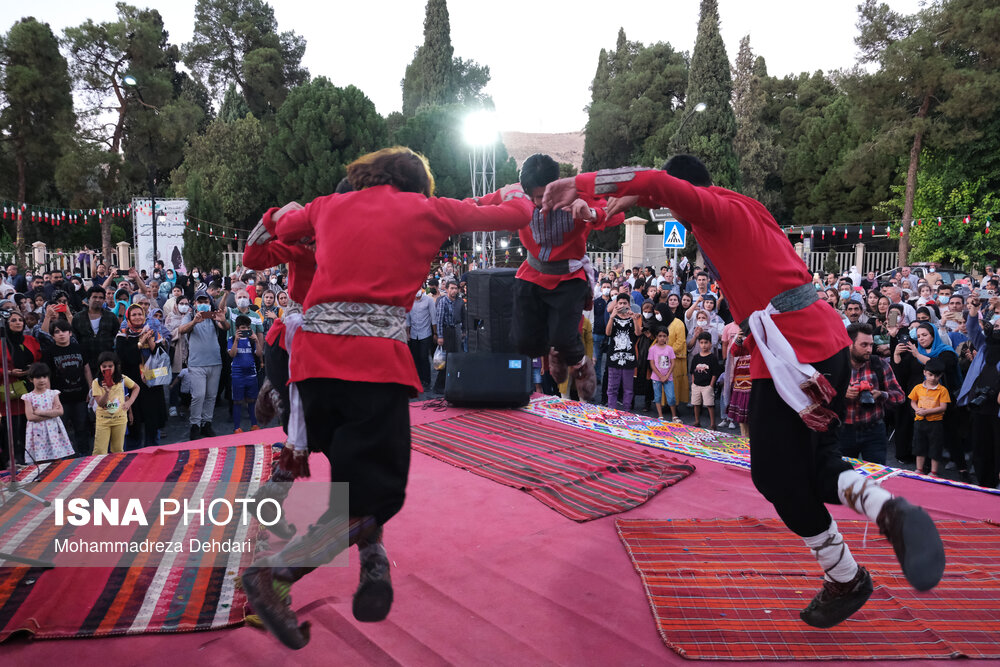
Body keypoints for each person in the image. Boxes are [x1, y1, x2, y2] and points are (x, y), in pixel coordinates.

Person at [542, 154, 945, 628]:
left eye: (670, 203)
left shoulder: (711, 211)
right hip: (818, 344)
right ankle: (884, 510)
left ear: (683, 194)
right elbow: (654, 190)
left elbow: (655, 183)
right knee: (817, 464)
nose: (670, 211)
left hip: (795, 355)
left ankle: (847, 575)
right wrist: (608, 208)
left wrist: (582, 184)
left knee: (775, 478)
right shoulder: (740, 204)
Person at [241, 146, 535, 648]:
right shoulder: (427, 211)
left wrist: (281, 213)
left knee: (353, 484)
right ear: (417, 184)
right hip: (373, 366)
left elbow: (277, 230)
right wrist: (517, 195)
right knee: (381, 493)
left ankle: (364, 568)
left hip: (311, 361)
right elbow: (510, 216)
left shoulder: (327, 207)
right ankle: (280, 570)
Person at [473, 154, 624, 399]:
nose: (539, 202)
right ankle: (553, 350)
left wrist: (591, 214)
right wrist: (447, 214)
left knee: (564, 337)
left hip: (569, 275)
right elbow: (479, 203)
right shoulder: (514, 194)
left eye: (544, 195)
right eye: (533, 196)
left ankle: (577, 361)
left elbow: (617, 213)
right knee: (523, 343)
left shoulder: (576, 193)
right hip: (532, 272)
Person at [838, 324, 905, 465]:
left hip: (874, 431)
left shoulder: (879, 364)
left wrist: (880, 394)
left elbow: (900, 396)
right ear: (849, 344)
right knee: (842, 478)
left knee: (876, 478)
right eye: (864, 345)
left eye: (871, 344)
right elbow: (816, 397)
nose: (869, 349)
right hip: (843, 431)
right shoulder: (837, 366)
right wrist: (842, 393)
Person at [115, 304, 167, 449]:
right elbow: (126, 357)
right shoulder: (123, 335)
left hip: (152, 382)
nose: (137, 317)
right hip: (133, 383)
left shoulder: (154, 333)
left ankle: (153, 450)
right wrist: (140, 342)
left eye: (140, 314)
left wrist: (149, 340)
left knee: (152, 418)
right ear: (128, 318)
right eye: (134, 315)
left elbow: (161, 356)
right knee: (134, 420)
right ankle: (133, 452)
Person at [177, 292, 228, 440]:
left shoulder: (213, 316)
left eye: (205, 300)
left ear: (209, 302)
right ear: (195, 303)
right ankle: (195, 424)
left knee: (211, 396)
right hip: (197, 363)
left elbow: (225, 326)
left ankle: (207, 423)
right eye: (200, 301)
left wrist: (223, 320)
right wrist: (194, 322)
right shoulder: (190, 316)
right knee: (198, 395)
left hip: (215, 361)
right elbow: (181, 330)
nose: (202, 303)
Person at [42, 320, 92, 456]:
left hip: (81, 396)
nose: (61, 334)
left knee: (82, 427)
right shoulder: (49, 352)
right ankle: (63, 456)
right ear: (52, 336)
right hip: (60, 399)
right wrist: (51, 396)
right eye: (57, 332)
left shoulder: (80, 348)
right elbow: (47, 376)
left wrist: (91, 390)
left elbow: (87, 370)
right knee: (60, 428)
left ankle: (84, 455)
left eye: (64, 331)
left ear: (70, 333)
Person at [1, 311, 41, 467]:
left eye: (20, 320)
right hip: (10, 391)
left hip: (30, 388)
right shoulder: (2, 342)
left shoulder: (30, 340)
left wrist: (32, 369)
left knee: (27, 425)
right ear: (7, 323)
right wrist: (9, 372)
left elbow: (39, 359)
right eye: (13, 320)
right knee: (10, 427)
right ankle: (9, 461)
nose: (18, 322)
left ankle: (27, 458)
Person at [22, 362, 74, 462]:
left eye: (44, 376)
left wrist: (40, 412)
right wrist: (52, 413)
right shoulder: (28, 397)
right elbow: (30, 417)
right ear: (31, 379)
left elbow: (60, 411)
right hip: (37, 433)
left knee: (57, 458)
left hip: (53, 430)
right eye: (38, 377)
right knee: (40, 459)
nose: (42, 380)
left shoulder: (53, 393)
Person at [908, 357, 950, 476]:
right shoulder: (918, 388)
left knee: (935, 448)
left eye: (936, 376)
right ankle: (919, 469)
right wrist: (917, 410)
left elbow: (943, 407)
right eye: (930, 374)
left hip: (935, 423)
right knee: (919, 446)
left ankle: (933, 471)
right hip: (920, 421)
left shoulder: (942, 390)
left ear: (941, 376)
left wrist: (927, 412)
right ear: (924, 372)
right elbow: (912, 402)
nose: (933, 378)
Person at [91, 351, 139, 455]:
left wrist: (130, 402)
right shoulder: (96, 382)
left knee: (118, 450)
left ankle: (115, 469)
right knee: (100, 450)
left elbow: (136, 387)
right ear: (99, 367)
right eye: (104, 366)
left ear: (115, 366)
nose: (107, 369)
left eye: (110, 366)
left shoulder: (122, 379)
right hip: (103, 421)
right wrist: (107, 392)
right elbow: (100, 403)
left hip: (119, 420)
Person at [605, 293, 641, 411]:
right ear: (616, 305)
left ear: (629, 305)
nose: (622, 305)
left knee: (628, 388)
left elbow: (638, 333)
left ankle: (627, 412)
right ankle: (611, 410)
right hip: (614, 357)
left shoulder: (633, 318)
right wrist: (611, 316)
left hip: (629, 357)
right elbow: (608, 333)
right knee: (612, 388)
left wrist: (634, 319)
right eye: (620, 303)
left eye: (625, 303)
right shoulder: (613, 318)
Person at [228, 315, 262, 433]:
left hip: (251, 375)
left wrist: (257, 340)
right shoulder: (231, 339)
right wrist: (236, 341)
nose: (245, 330)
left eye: (248, 327)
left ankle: (254, 424)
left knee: (252, 400)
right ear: (237, 328)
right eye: (243, 327)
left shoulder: (252, 340)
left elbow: (258, 353)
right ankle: (237, 427)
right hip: (237, 375)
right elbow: (232, 354)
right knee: (237, 401)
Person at [432, 279, 464, 395]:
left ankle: (450, 384)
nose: (454, 291)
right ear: (446, 289)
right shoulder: (443, 301)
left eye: (456, 288)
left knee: (454, 358)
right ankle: (439, 385)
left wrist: (462, 331)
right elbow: (439, 320)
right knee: (445, 360)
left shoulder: (458, 301)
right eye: (451, 288)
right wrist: (440, 336)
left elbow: (462, 317)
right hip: (445, 332)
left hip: (455, 331)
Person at [689, 332, 721, 429]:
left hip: (707, 386)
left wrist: (711, 385)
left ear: (710, 343)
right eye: (701, 342)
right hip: (696, 385)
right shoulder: (696, 357)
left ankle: (712, 424)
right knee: (696, 403)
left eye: (706, 342)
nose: (704, 345)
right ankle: (697, 421)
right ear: (699, 343)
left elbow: (715, 373)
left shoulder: (713, 358)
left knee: (709, 404)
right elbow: (692, 371)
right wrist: (694, 383)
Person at [405, 288, 436, 391]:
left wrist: (435, 333)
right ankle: (418, 380)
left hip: (425, 333)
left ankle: (427, 381)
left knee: (424, 357)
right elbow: (408, 318)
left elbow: (433, 318)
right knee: (415, 358)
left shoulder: (428, 300)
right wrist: (408, 333)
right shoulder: (409, 301)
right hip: (414, 334)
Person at [647, 326, 677, 421]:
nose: (662, 338)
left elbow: (673, 363)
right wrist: (660, 376)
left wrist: (667, 375)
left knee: (671, 397)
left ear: (667, 337)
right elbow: (652, 364)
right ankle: (660, 416)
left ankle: (674, 416)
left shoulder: (669, 349)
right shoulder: (652, 349)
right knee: (657, 396)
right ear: (656, 337)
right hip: (656, 377)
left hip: (668, 377)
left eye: (664, 336)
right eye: (660, 336)